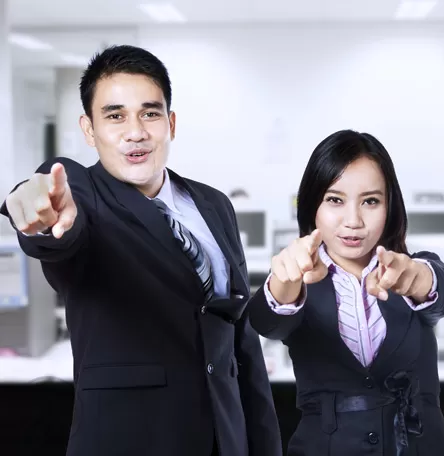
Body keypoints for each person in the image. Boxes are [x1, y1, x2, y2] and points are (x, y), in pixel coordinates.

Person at [0, 45, 281, 456]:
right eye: (114, 116)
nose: (136, 132)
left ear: (170, 123)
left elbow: (243, 342)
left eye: (149, 113)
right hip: (129, 441)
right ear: (89, 130)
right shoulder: (83, 195)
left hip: (227, 439)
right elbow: (59, 223)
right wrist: (38, 214)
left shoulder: (214, 204)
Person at [247, 129, 444, 456]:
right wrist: (286, 281)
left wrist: (414, 278)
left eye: (370, 201)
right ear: (312, 206)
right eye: (335, 200)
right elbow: (267, 320)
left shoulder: (410, 268)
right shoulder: (299, 280)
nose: (353, 221)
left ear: (390, 207)